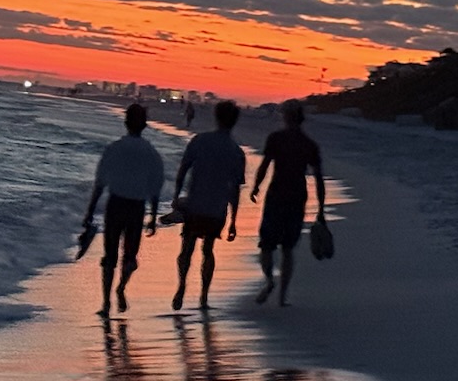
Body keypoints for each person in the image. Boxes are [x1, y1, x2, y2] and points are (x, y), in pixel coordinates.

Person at [84, 103, 164, 317]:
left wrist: (90, 211)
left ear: (125, 122)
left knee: (109, 256)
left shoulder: (114, 148)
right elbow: (155, 187)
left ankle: (106, 303)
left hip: (116, 205)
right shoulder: (151, 153)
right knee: (130, 257)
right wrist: (154, 216)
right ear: (145, 125)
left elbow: (100, 182)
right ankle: (121, 288)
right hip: (136, 208)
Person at [170, 100, 245, 312]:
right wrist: (233, 221)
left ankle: (181, 285)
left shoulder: (200, 141)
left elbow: (183, 170)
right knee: (208, 250)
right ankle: (203, 296)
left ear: (216, 117)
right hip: (216, 208)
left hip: (195, 205)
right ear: (234, 121)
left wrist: (176, 197)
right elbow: (235, 190)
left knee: (187, 248)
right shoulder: (236, 152)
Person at [249, 99, 325, 307]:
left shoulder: (276, 138)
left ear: (285, 117)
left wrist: (256, 187)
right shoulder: (309, 144)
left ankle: (269, 281)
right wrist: (321, 209)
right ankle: (283, 297)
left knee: (267, 245)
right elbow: (318, 178)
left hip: (276, 196)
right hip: (297, 197)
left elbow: (264, 166)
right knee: (288, 248)